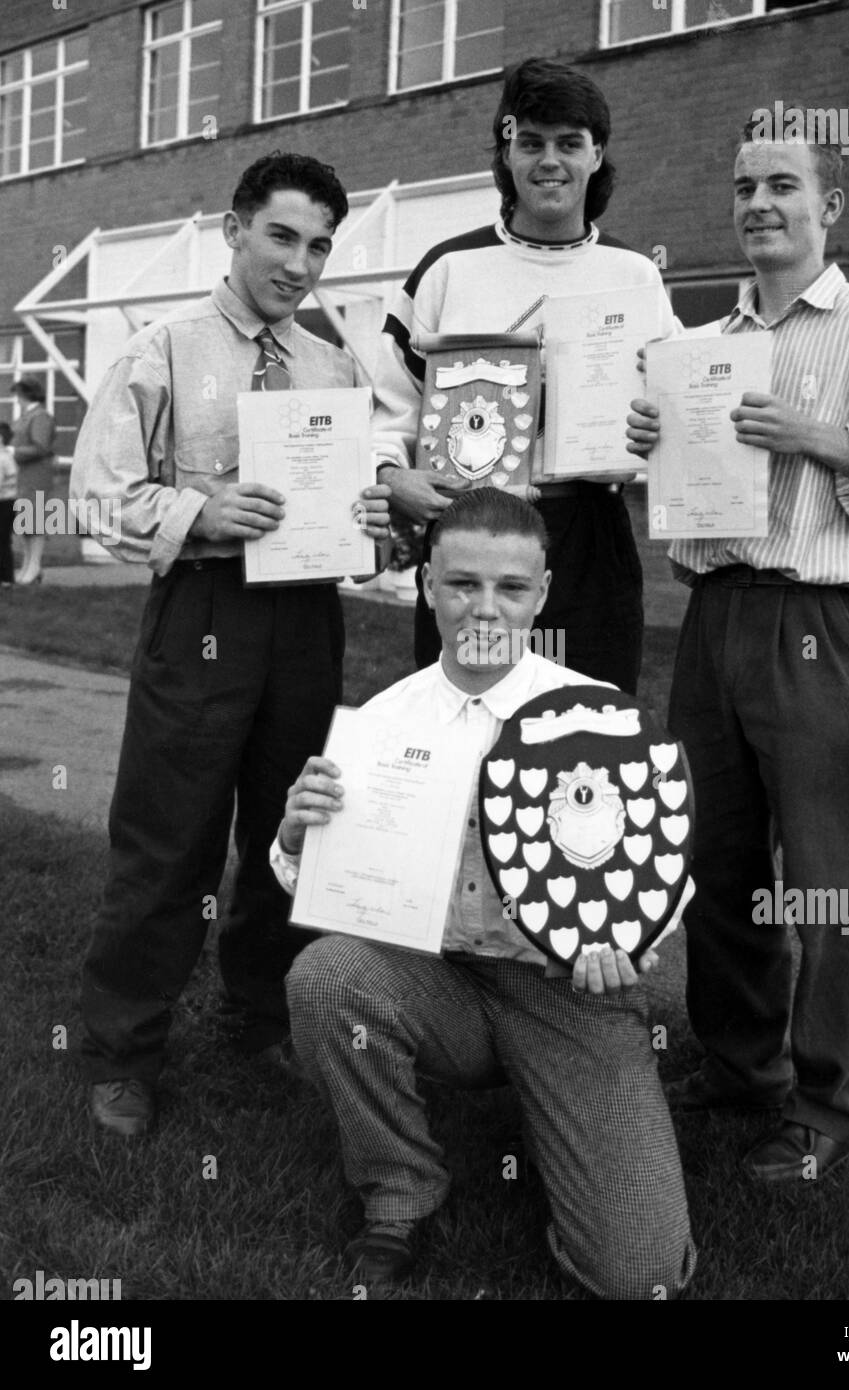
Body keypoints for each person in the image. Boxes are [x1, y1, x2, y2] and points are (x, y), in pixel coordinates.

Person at [627, 111, 849, 1183]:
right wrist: (653, 449)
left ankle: (825, 1102)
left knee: (823, 879)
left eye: (780, 184)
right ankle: (738, 1065)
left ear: (828, 206)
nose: (758, 204)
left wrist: (823, 439)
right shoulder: (701, 348)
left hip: (819, 620)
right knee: (714, 862)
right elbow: (688, 508)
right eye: (742, 188)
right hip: (715, 613)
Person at [274, 488, 695, 1299]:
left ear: (541, 593)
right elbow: (315, 879)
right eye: (463, 583)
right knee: (326, 975)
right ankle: (399, 1193)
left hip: (564, 991)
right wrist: (297, 837)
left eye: (509, 588)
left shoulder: (598, 718)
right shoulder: (383, 721)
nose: (484, 608)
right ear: (428, 584)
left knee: (638, 1274)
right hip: (435, 977)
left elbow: (666, 877)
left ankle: (566, 1129)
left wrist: (628, 942)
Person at [69, 151, 392, 1138]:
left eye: (320, 245)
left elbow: (354, 508)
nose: (300, 263)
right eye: (283, 236)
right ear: (235, 230)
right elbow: (95, 498)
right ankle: (125, 1050)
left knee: (292, 833)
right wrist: (201, 512)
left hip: (303, 619)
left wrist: (368, 515)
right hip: (203, 610)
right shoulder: (161, 350)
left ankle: (259, 1018)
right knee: (169, 835)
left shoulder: (333, 363)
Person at [372, 56, 677, 694]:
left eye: (570, 144)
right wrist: (391, 476)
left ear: (597, 156)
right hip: (471, 526)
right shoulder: (447, 268)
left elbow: (669, 413)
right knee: (463, 718)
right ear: (505, 153)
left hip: (591, 533)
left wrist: (659, 427)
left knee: (587, 725)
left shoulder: (635, 276)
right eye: (530, 142)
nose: (549, 161)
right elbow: (388, 411)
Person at [10, 376, 56, 585]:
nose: (17, 399)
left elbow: (41, 447)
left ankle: (34, 566)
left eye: (19, 394)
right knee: (26, 524)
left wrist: (13, 451)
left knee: (35, 523)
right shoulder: (28, 416)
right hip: (24, 476)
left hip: (36, 475)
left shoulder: (41, 417)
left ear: (27, 394)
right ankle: (28, 565)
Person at [0, 422, 17, 587]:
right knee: (4, 541)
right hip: (8, 502)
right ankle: (6, 578)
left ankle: (6, 578)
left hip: (3, 503)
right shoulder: (7, 456)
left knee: (2, 542)